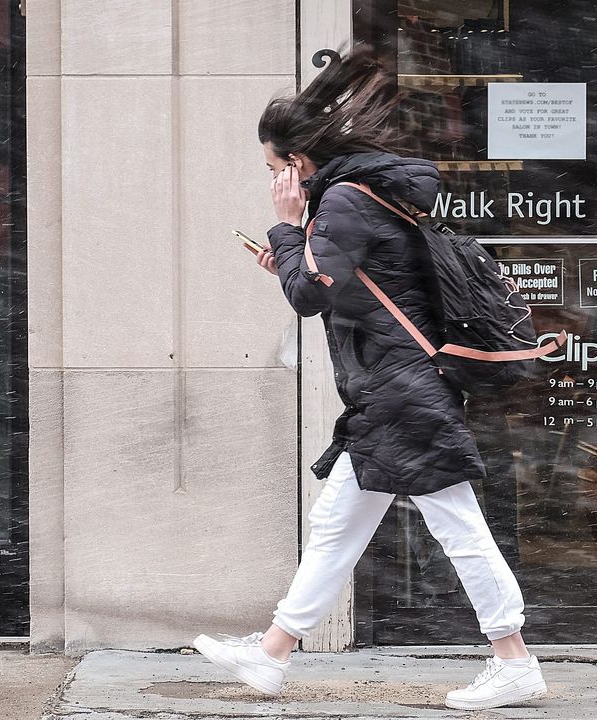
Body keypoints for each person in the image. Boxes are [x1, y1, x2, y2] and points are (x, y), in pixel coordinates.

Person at [192, 47, 547, 712]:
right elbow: (333, 286)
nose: (273, 183)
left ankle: (515, 661)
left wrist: (289, 231)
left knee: (458, 526)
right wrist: (292, 254)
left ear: (296, 165)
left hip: (400, 390)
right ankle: (271, 653)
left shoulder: (342, 206)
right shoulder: (356, 198)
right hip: (390, 390)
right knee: (338, 526)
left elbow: (311, 296)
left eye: (274, 171)